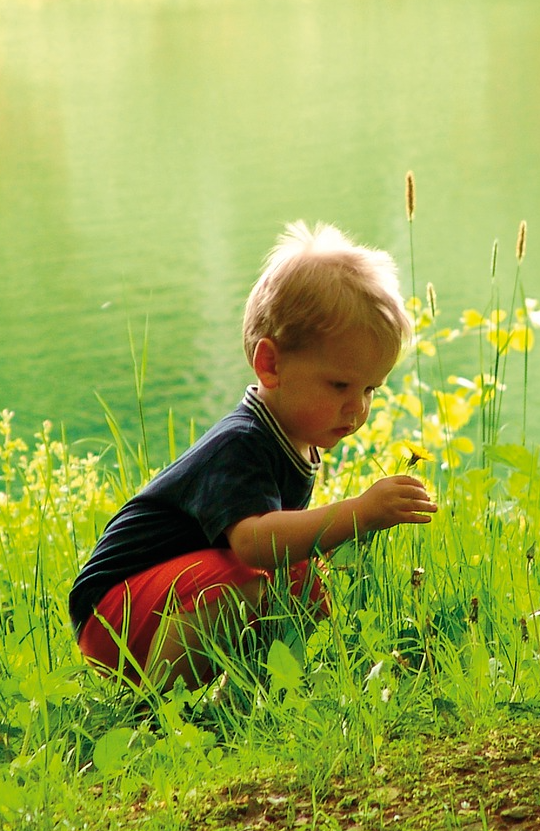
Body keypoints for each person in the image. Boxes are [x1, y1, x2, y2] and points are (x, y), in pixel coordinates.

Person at [69, 221, 437, 691]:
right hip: (111, 614)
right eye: (340, 385)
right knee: (246, 577)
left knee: (303, 580)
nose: (357, 407)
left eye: (370, 389)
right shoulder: (241, 443)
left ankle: (250, 688)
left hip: (162, 602)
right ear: (271, 365)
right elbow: (254, 544)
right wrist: (358, 512)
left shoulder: (292, 438)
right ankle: (160, 704)